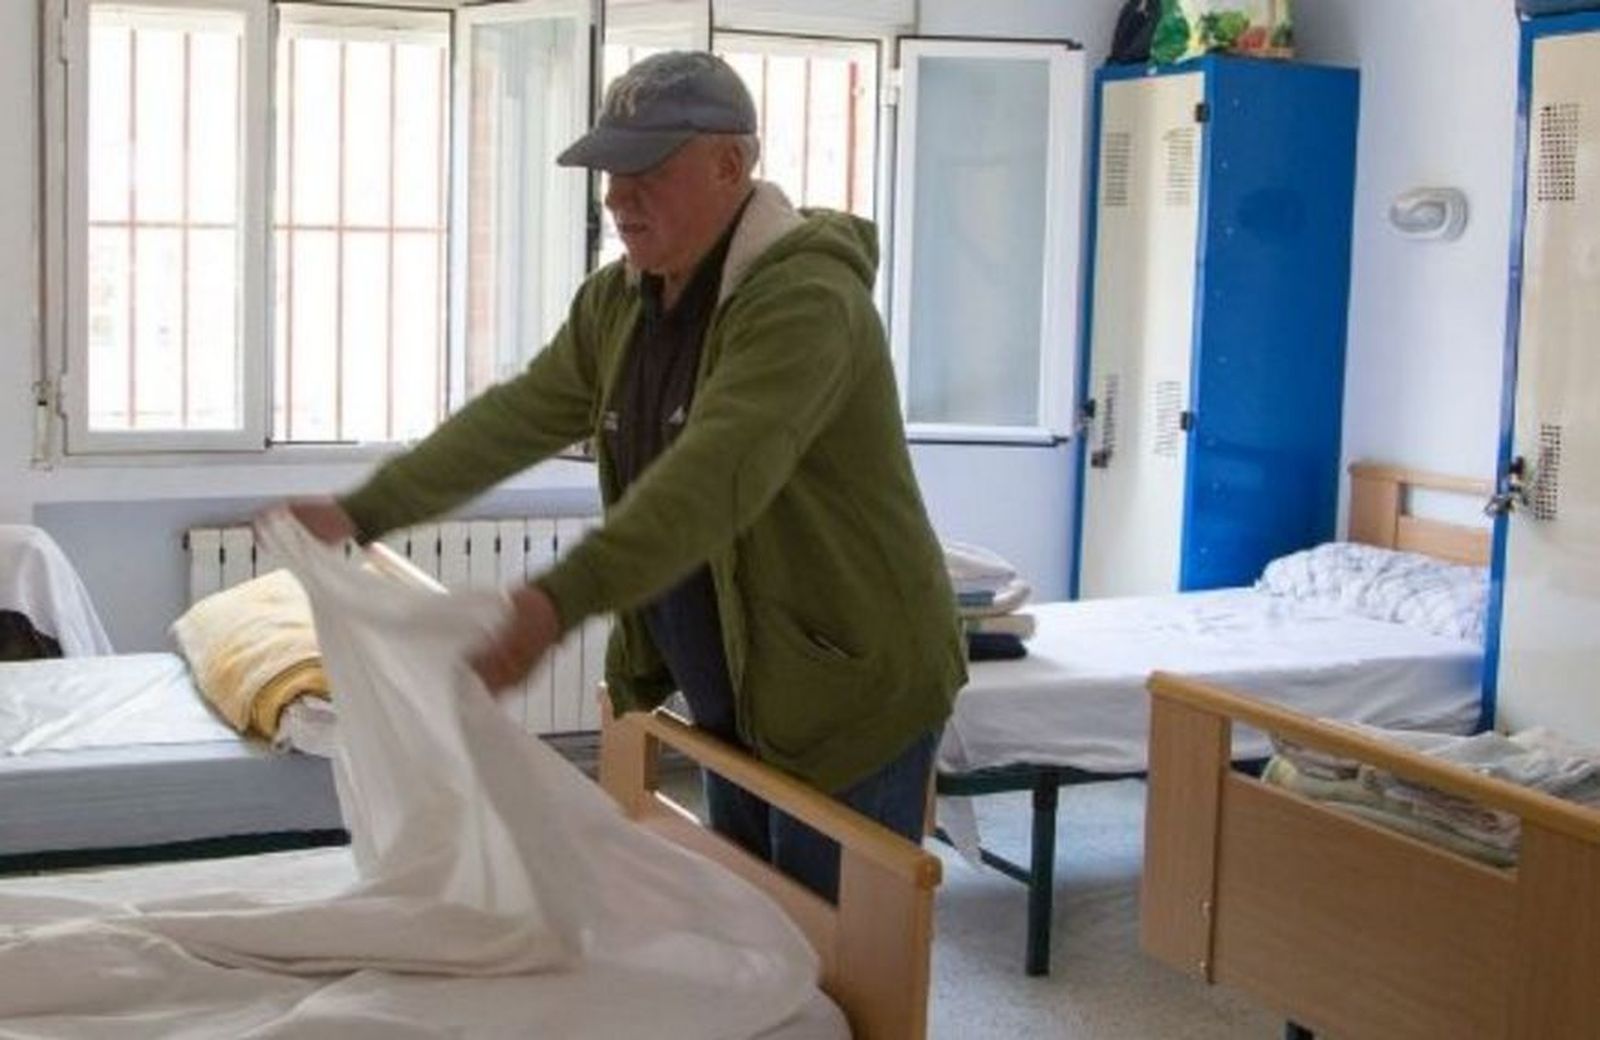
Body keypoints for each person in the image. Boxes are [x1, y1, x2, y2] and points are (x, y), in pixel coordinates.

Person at [288, 51, 965, 901]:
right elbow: (518, 417)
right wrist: (365, 510)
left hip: (851, 684)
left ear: (732, 164)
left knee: (844, 972)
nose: (615, 195)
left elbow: (713, 478)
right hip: (743, 685)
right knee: (759, 929)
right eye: (609, 170)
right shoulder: (622, 301)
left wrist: (553, 602)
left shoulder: (807, 303)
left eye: (646, 168)